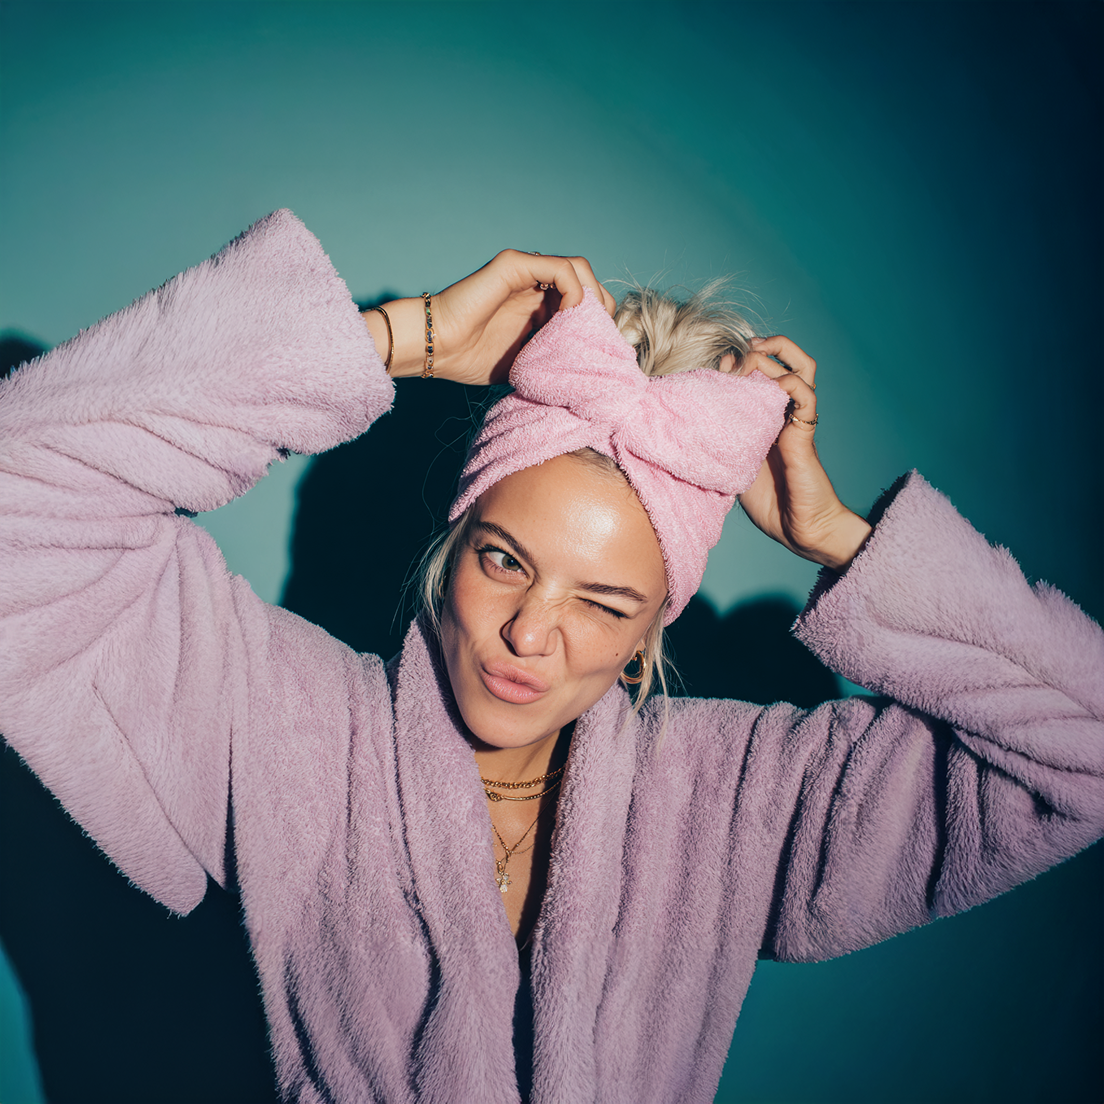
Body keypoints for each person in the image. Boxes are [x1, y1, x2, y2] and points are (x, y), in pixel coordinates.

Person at [0, 209, 1101, 1104]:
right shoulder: (280, 722)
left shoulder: (734, 796)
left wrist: (841, 540)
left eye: (603, 599)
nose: (532, 633)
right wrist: (403, 339)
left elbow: (1084, 749)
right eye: (505, 559)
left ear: (647, 632)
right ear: (449, 548)